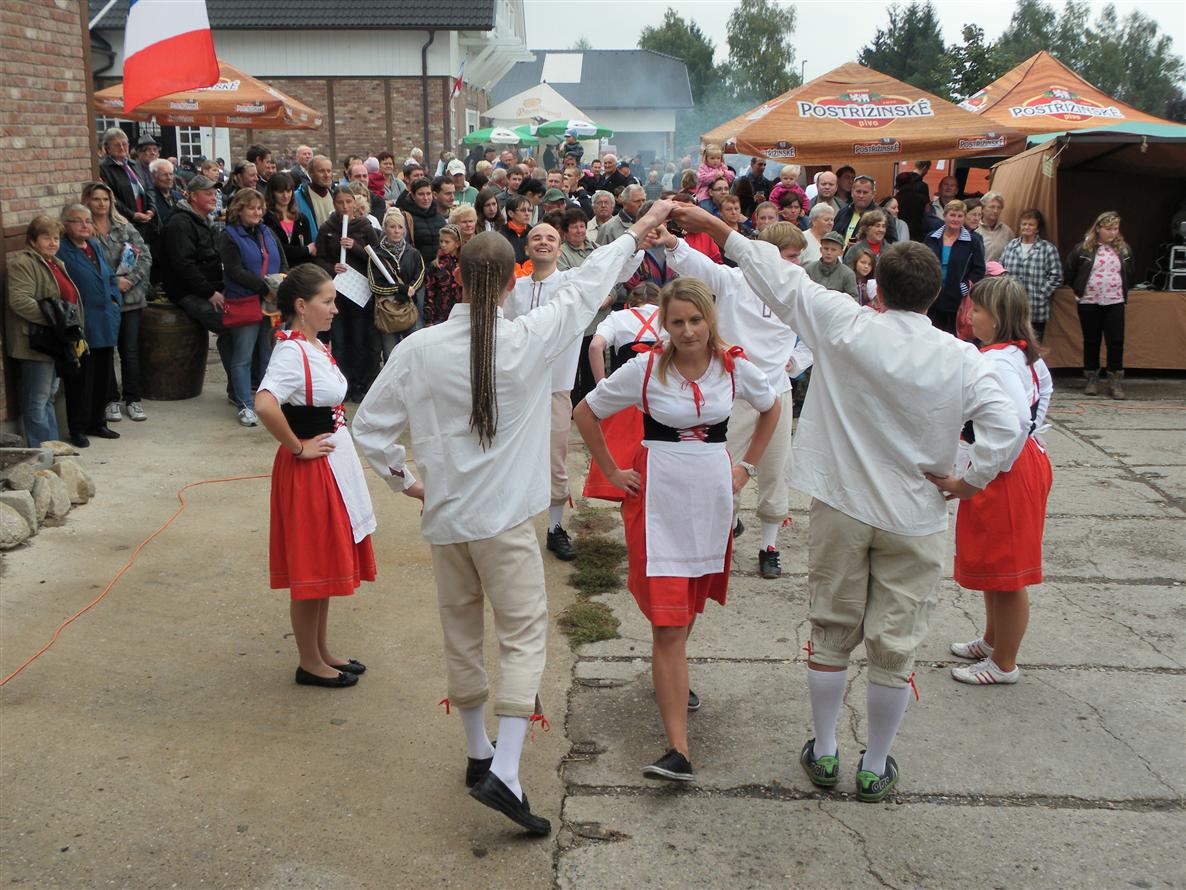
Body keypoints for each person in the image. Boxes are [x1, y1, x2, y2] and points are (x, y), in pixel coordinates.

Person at [672, 201, 1021, 803]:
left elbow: (776, 277)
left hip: (842, 504)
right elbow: (1007, 426)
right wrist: (970, 480)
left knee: (832, 632)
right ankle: (875, 763)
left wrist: (718, 228)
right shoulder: (961, 357)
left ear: (876, 285)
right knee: (895, 644)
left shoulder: (845, 323)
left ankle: (828, 748)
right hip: (914, 515)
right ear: (937, 294)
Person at [352, 207, 668, 837]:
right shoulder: (529, 337)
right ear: (509, 282)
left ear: (459, 278)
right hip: (503, 523)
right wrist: (638, 231)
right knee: (523, 636)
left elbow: (369, 429)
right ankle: (505, 768)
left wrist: (407, 482)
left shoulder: (418, 348)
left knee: (462, 631)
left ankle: (479, 752)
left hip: (448, 520)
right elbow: (586, 285)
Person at [574, 275, 780, 781]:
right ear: (663, 324)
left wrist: (747, 466)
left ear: (710, 319)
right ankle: (679, 750)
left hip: (711, 499)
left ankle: (671, 671)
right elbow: (585, 412)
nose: (687, 331)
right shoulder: (645, 368)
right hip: (659, 498)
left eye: (695, 320)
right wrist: (612, 470)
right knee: (667, 624)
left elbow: (772, 405)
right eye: (677, 322)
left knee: (686, 608)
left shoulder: (733, 366)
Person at [254, 265, 380, 689]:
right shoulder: (291, 352)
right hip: (309, 471)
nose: (335, 309)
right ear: (301, 306)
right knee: (312, 567)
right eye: (327, 301)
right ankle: (309, 662)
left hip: (331, 467)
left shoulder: (312, 345)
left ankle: (321, 651)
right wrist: (298, 447)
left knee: (323, 562)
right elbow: (265, 404)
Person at [662, 221, 807, 578]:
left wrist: (796, 361)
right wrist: (672, 242)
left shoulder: (798, 289)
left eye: (798, 258)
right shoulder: (734, 281)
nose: (797, 264)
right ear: (769, 256)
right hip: (733, 392)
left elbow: (818, 335)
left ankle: (769, 546)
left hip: (777, 391)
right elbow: (699, 266)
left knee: (774, 470)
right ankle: (723, 536)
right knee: (723, 467)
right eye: (791, 257)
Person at [503, 222, 644, 559]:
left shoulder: (572, 282)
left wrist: (637, 244)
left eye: (551, 238)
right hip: (517, 391)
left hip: (555, 389)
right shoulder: (515, 288)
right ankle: (511, 525)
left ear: (559, 247)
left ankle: (555, 527)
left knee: (555, 459)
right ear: (527, 248)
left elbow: (616, 271)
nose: (543, 242)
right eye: (536, 237)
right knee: (511, 459)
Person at [946, 276, 1053, 686]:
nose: (969, 315)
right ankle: (993, 641)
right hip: (1018, 461)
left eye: (976, 309)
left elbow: (1016, 422)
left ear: (997, 316)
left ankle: (1004, 662)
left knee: (1009, 574)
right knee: (995, 562)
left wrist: (978, 473)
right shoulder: (1019, 354)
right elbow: (1042, 396)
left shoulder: (997, 361)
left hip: (1007, 469)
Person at [580, 281, 664, 502]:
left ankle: (630, 505)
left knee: (625, 461)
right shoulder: (669, 318)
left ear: (630, 302)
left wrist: (602, 388)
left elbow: (595, 346)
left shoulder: (618, 317)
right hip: (661, 398)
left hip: (626, 400)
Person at [83, 181, 151, 425]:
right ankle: (110, 399)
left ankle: (132, 399)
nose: (101, 204)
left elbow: (144, 256)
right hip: (103, 300)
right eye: (96, 199)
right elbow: (86, 267)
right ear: (87, 201)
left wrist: (130, 281)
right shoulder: (85, 231)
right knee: (106, 351)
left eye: (105, 199)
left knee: (129, 351)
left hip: (130, 299)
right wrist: (114, 282)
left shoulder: (124, 226)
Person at [56, 203, 122, 446]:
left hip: (104, 321)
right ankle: (78, 428)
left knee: (103, 377)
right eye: (78, 221)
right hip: (82, 324)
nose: (85, 225)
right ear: (66, 224)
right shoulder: (62, 251)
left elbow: (110, 276)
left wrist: (115, 299)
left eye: (88, 220)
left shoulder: (94, 245)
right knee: (81, 380)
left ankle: (98, 422)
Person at [5, 216, 74, 446]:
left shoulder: (54, 261)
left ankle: (51, 448)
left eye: (56, 238)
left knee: (49, 396)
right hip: (35, 341)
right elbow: (20, 301)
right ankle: (40, 450)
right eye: (47, 238)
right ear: (33, 240)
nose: (53, 243)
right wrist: (57, 319)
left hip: (53, 340)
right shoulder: (22, 263)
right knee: (37, 399)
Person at [316, 187, 380, 402]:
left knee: (360, 339)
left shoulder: (364, 226)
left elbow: (377, 258)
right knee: (340, 340)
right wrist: (331, 267)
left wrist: (356, 247)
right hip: (337, 294)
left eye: (348, 202)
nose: (344, 207)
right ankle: (344, 383)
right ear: (334, 204)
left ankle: (360, 384)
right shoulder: (327, 228)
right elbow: (319, 259)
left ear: (354, 202)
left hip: (360, 294)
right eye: (340, 202)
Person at [1066, 211, 1133, 399]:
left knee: (1116, 340)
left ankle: (1115, 379)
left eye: (1115, 229)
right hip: (1089, 301)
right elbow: (1070, 271)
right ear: (1098, 228)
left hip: (1115, 301)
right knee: (1091, 340)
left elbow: (1130, 273)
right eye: (1108, 229)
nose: (1112, 233)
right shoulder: (1083, 249)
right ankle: (1092, 378)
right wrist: (1079, 290)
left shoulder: (1124, 250)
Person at [998, 209, 1063, 342]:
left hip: (1036, 308)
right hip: (1012, 307)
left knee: (1034, 346)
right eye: (1024, 224)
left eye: (1031, 224)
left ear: (1037, 229)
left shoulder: (1048, 249)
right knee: (1013, 344)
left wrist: (1041, 293)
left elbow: (1057, 277)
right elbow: (1000, 270)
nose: (1026, 227)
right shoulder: (1011, 246)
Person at [370, 210, 425, 360]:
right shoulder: (376, 255)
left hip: (409, 307)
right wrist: (399, 289)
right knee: (390, 354)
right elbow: (374, 285)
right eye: (392, 226)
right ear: (385, 228)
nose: (396, 231)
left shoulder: (413, 252)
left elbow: (420, 275)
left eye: (400, 227)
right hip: (387, 310)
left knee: (415, 351)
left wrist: (410, 290)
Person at [925, 200, 986, 334]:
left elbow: (979, 269)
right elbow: (922, 263)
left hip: (956, 301)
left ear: (964, 218)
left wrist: (964, 287)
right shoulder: (931, 237)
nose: (956, 219)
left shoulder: (973, 242)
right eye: (952, 215)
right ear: (945, 216)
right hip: (931, 297)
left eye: (960, 216)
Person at [98, 128, 154, 236]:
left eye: (124, 144)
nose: (122, 147)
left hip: (146, 223)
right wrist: (132, 215)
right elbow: (111, 197)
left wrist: (151, 209)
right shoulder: (103, 169)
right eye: (116, 145)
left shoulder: (135, 165)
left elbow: (148, 188)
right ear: (107, 148)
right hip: (124, 224)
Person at [264, 171, 316, 270]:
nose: (285, 195)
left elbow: (310, 251)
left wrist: (306, 250)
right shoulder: (266, 219)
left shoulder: (301, 218)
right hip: (277, 272)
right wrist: (305, 250)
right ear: (272, 193)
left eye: (288, 191)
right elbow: (278, 249)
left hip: (300, 271)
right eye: (280, 192)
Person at [834, 176, 895, 248]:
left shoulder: (883, 215)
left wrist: (864, 246)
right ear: (852, 192)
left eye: (865, 192)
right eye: (858, 192)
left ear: (873, 194)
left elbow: (892, 245)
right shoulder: (843, 212)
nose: (861, 196)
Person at [423, 224, 463, 327]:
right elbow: (429, 293)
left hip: (461, 314)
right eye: (441, 241)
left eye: (447, 242)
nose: (443, 245)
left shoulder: (464, 263)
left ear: (457, 244)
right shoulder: (435, 265)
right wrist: (429, 320)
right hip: (440, 316)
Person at [804, 231, 858, 300]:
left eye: (833, 250)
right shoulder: (809, 269)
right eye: (826, 248)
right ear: (821, 250)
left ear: (841, 253)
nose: (829, 253)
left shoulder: (848, 274)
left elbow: (853, 299)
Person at [295, 155, 336, 236]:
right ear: (310, 173)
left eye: (329, 171)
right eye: (321, 171)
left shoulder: (336, 197)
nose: (326, 175)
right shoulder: (297, 197)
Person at [978, 191, 1014, 263]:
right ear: (983, 208)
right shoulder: (975, 229)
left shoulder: (1007, 231)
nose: (995, 211)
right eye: (992, 207)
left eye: (999, 207)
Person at [501, 194, 533, 266]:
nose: (527, 213)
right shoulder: (501, 235)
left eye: (529, 210)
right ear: (511, 213)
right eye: (523, 210)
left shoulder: (533, 233)